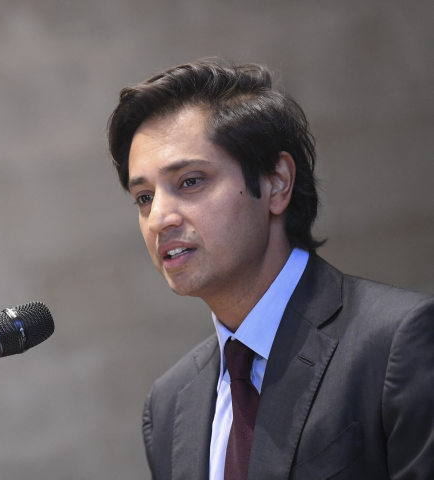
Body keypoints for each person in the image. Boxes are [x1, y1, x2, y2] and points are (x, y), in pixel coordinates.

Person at [106, 59, 434, 480]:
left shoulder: (397, 343)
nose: (159, 219)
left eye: (190, 181)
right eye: (144, 198)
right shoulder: (169, 405)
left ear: (277, 183)